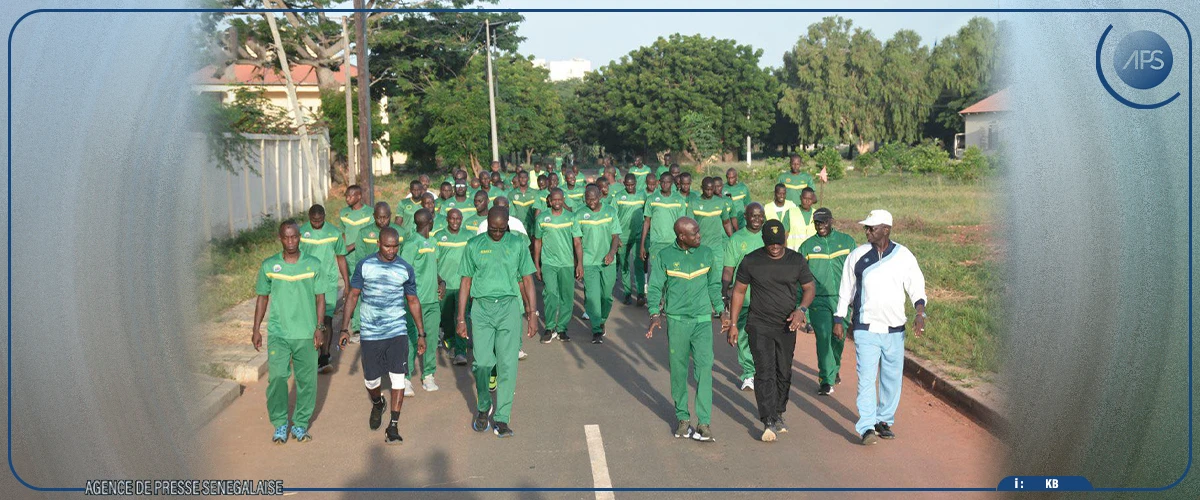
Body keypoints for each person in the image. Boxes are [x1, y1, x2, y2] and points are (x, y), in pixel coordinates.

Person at [833, 209, 927, 445]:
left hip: (895, 329)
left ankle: (883, 419)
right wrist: (839, 319)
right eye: (866, 227)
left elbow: (916, 285)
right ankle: (866, 426)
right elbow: (846, 290)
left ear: (886, 229)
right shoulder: (858, 256)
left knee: (891, 378)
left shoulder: (903, 256)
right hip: (866, 327)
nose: (867, 231)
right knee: (866, 377)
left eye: (871, 228)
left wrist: (920, 313)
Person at [726, 220, 816, 442]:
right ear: (764, 241)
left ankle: (778, 413)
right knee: (764, 371)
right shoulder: (751, 261)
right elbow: (738, 292)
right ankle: (767, 420)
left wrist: (801, 310)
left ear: (784, 241)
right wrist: (734, 323)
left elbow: (809, 287)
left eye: (779, 243)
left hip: (787, 325)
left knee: (783, 372)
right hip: (759, 324)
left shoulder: (796, 260)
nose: (775, 247)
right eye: (770, 243)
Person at [338, 226, 425, 445]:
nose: (391, 250)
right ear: (378, 243)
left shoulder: (405, 269)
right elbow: (353, 296)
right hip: (371, 332)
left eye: (395, 246)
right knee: (371, 380)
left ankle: (393, 426)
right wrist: (344, 327)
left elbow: (413, 301)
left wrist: (421, 333)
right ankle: (378, 403)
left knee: (399, 379)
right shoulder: (365, 265)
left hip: (397, 331)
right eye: (387, 245)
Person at [457, 207, 539, 438]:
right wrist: (461, 318)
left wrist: (532, 314)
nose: (497, 233)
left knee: (507, 365)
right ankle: (484, 405)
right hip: (481, 309)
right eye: (493, 229)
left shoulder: (516, 244)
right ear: (487, 225)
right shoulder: (474, 245)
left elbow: (527, 279)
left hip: (509, 308)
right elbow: (465, 282)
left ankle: (502, 418)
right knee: (482, 364)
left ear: (508, 227)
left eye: (502, 229)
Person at [646, 217, 727, 442]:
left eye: (699, 232)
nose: (699, 236)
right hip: (677, 321)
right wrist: (655, 313)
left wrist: (721, 311)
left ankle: (703, 423)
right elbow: (654, 287)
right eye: (695, 234)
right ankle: (683, 418)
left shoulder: (707, 254)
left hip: (702, 321)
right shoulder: (665, 257)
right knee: (679, 371)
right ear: (682, 237)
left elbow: (714, 285)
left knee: (704, 370)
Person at [252, 220, 325, 444]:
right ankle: (280, 423)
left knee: (307, 382)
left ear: (300, 237)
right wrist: (256, 329)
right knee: (277, 379)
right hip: (279, 333)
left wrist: (319, 328)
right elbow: (262, 298)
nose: (291, 241)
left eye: (294, 237)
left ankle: (301, 424)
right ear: (280, 238)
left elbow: (320, 298)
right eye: (286, 237)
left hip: (306, 333)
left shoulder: (313, 264)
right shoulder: (269, 265)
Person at [799, 207, 857, 395]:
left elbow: (857, 270)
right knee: (823, 337)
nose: (820, 226)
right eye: (817, 223)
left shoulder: (847, 242)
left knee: (838, 338)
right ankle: (826, 378)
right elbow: (800, 277)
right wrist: (802, 309)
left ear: (831, 221)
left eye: (823, 222)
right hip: (818, 301)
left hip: (843, 299)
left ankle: (834, 368)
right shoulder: (807, 246)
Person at [298, 204, 350, 374]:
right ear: (309, 217)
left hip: (328, 282)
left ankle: (324, 356)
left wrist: (347, 284)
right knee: (308, 320)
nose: (317, 223)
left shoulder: (334, 233)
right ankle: (308, 354)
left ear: (325, 216)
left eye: (320, 220)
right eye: (314, 220)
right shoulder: (300, 233)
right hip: (306, 282)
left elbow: (341, 258)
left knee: (326, 319)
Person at [400, 209, 446, 394]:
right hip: (414, 302)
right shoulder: (411, 244)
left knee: (432, 338)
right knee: (412, 339)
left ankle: (428, 375)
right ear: (429, 222)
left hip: (433, 301)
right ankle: (405, 378)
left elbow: (432, 268)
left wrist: (441, 281)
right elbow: (404, 273)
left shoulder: (433, 242)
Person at [721, 202, 765, 392]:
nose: (756, 219)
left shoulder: (769, 236)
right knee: (744, 336)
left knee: (764, 337)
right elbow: (729, 268)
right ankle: (749, 373)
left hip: (767, 298)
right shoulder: (736, 239)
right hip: (744, 298)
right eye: (752, 216)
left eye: (760, 215)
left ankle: (763, 371)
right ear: (745, 217)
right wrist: (724, 291)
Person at [573, 185, 621, 344]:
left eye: (593, 199)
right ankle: (596, 329)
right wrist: (579, 264)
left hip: (608, 262)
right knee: (593, 298)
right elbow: (577, 242)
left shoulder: (610, 212)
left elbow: (615, 237)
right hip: (589, 262)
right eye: (587, 199)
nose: (591, 202)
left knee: (606, 297)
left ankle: (602, 320)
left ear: (600, 196)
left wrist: (611, 253)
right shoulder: (580, 214)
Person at [533, 188, 577, 343]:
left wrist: (580, 265)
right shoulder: (542, 218)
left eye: (560, 199)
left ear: (563, 200)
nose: (557, 202)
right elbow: (537, 242)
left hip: (567, 263)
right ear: (549, 201)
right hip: (549, 263)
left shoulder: (571, 217)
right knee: (551, 294)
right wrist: (537, 264)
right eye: (554, 200)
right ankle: (550, 327)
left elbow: (577, 242)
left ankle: (562, 328)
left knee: (567, 297)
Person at [435, 209, 473, 366]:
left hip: (463, 284)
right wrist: (439, 281)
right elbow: (434, 261)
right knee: (445, 318)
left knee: (461, 317)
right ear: (447, 219)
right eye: (452, 218)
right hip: (445, 285)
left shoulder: (469, 236)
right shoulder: (438, 236)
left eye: (458, 218)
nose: (455, 221)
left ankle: (460, 351)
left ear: (462, 219)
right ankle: (450, 341)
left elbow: (474, 260)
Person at [338, 185, 373, 342]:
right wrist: (342, 249)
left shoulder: (369, 213)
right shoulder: (343, 213)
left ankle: (368, 324)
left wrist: (352, 246)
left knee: (367, 291)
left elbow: (370, 234)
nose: (348, 198)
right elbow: (343, 234)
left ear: (359, 196)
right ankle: (357, 327)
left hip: (364, 256)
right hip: (349, 259)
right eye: (346, 196)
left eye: (351, 196)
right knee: (354, 291)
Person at [639, 172, 687, 281]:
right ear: (659, 183)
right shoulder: (651, 199)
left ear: (673, 184)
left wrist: (684, 244)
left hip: (674, 243)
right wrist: (642, 245)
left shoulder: (679, 200)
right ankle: (658, 298)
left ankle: (669, 298)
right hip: (656, 243)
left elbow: (682, 224)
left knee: (673, 275)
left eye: (668, 182)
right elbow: (646, 222)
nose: (665, 185)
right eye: (663, 182)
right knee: (657, 275)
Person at [689, 177, 734, 288]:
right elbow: (689, 226)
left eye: (711, 189)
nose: (709, 192)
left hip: (716, 247)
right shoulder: (693, 203)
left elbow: (726, 222)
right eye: (706, 189)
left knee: (717, 277)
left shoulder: (720, 202)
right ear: (701, 188)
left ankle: (716, 302)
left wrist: (732, 238)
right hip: (700, 247)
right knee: (701, 278)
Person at [614, 173, 647, 305]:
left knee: (639, 263)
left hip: (638, 235)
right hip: (623, 235)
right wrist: (616, 236)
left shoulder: (642, 195)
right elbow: (613, 217)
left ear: (636, 183)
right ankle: (627, 293)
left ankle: (640, 294)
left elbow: (647, 215)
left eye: (632, 184)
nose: (630, 187)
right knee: (625, 264)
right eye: (627, 185)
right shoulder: (618, 197)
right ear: (624, 184)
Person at [764, 183, 804, 251]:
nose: (782, 196)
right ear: (775, 193)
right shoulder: (767, 208)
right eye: (779, 193)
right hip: (773, 245)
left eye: (784, 193)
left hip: (790, 246)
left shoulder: (792, 205)